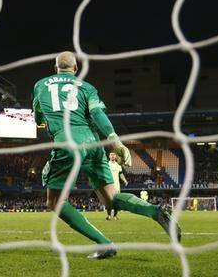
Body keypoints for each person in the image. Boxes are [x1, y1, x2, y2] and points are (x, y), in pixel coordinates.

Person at [33, 51, 180, 259]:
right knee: (111, 200)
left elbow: (38, 118)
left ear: (54, 67)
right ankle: (154, 211)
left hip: (67, 142)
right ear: (76, 69)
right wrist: (116, 140)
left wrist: (46, 120)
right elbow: (97, 114)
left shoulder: (41, 85)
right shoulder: (87, 87)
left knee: (55, 202)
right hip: (93, 143)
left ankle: (105, 243)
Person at [105, 152, 128, 220]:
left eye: (114, 155)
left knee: (116, 201)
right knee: (109, 201)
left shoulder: (118, 165)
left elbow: (121, 174)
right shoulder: (107, 165)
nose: (112, 156)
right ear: (109, 156)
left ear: (115, 156)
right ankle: (109, 215)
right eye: (111, 155)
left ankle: (115, 216)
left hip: (117, 185)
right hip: (109, 185)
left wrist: (125, 180)